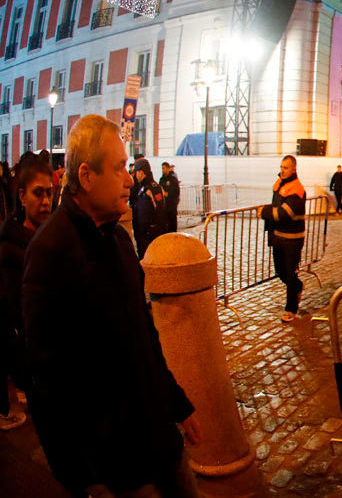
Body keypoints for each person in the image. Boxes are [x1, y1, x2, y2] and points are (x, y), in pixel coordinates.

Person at [23, 115, 201, 496]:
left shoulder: (120, 241)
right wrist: (85, 479)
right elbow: (46, 383)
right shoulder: (49, 252)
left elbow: (145, 337)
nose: (127, 178)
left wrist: (178, 406)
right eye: (119, 167)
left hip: (161, 443)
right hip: (118, 469)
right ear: (86, 176)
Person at [0, 152, 54, 431]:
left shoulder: (56, 238)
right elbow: (12, 314)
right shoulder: (11, 248)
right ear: (21, 197)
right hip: (35, 364)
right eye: (38, 194)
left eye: (49, 193)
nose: (45, 201)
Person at [260, 155, 307, 322]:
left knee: (290, 272)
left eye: (286, 167)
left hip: (293, 239)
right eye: (281, 167)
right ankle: (297, 287)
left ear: (294, 169)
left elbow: (285, 213)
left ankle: (291, 309)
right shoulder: (280, 185)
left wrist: (264, 212)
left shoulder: (297, 189)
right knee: (281, 272)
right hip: (278, 237)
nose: (282, 170)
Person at [131, 159, 165, 260]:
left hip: (149, 234)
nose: (135, 176)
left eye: (136, 172)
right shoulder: (146, 187)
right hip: (145, 233)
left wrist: (149, 230)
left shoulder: (151, 188)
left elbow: (158, 210)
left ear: (141, 173)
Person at [158, 162, 180, 233]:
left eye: (163, 168)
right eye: (162, 168)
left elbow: (176, 192)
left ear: (168, 168)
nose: (162, 170)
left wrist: (167, 194)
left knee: (172, 224)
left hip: (172, 205)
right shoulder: (161, 179)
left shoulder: (173, 179)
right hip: (164, 206)